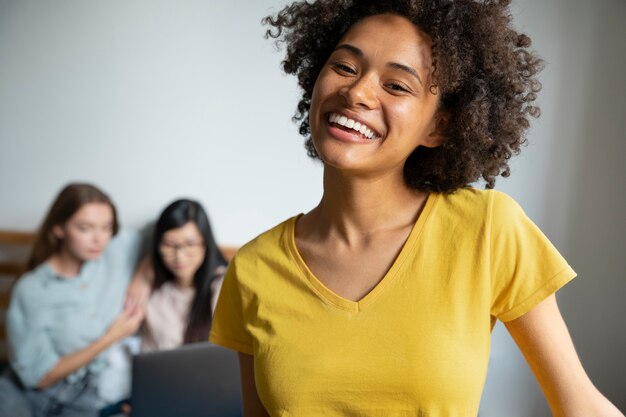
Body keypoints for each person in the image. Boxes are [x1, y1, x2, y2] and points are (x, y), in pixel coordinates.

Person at [208, 1, 624, 416]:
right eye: (345, 67)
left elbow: (580, 406)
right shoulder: (253, 267)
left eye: (396, 86)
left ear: (439, 126)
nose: (356, 92)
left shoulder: (487, 229)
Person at [0, 183, 145, 417]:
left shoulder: (117, 250)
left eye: (107, 227)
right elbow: (39, 377)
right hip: (25, 394)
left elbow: (166, 236)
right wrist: (112, 336)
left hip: (82, 397)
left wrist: (142, 277)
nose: (99, 239)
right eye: (85, 228)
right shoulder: (32, 289)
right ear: (59, 228)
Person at [140, 199, 227, 352]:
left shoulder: (223, 286)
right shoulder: (155, 296)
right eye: (169, 244)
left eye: (190, 244)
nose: (179, 256)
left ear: (205, 243)